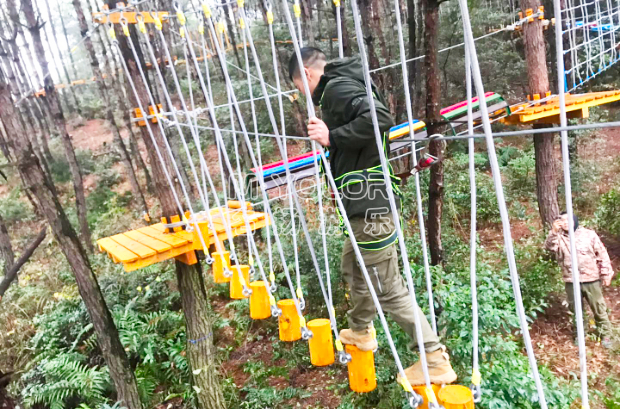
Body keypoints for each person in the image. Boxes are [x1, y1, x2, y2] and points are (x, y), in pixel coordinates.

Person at [288, 47, 457, 385]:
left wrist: (331, 137)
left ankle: (433, 358)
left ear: (306, 75)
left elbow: (381, 118)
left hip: (369, 206)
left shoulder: (337, 89)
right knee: (353, 265)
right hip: (365, 204)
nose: (299, 94)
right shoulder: (345, 83)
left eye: (296, 86)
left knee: (389, 288)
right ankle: (361, 330)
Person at [545, 212, 615, 349]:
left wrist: (606, 274)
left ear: (575, 220)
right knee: (576, 310)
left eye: (568, 220)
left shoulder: (589, 234)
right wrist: (553, 232)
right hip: (571, 281)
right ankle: (580, 335)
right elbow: (549, 247)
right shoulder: (559, 238)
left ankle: (606, 335)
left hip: (591, 279)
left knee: (599, 308)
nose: (565, 223)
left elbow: (602, 254)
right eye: (562, 220)